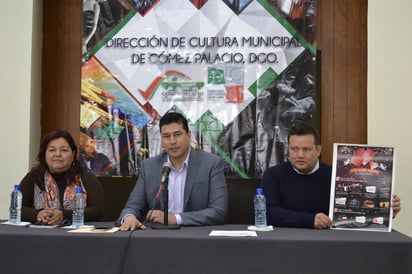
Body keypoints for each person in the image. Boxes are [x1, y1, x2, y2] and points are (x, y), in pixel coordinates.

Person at [261, 122, 401, 229]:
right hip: (287, 243)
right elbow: (267, 212)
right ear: (288, 149)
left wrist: (386, 210)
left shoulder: (338, 175)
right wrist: (310, 220)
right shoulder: (273, 175)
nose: (300, 155)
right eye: (294, 149)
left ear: (318, 150)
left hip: (330, 244)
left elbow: (360, 210)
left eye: (306, 149)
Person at [117, 111, 228, 230]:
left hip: (197, 238)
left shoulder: (211, 164)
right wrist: (129, 217)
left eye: (177, 134)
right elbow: (132, 206)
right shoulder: (149, 167)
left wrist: (175, 218)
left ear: (189, 135)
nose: (172, 141)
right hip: (157, 238)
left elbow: (218, 211)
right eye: (166, 136)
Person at [20, 130, 105, 226]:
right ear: (44, 154)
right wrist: (38, 214)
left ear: (73, 154)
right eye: (52, 150)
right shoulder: (33, 177)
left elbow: (98, 211)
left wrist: (64, 215)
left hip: (78, 236)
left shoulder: (87, 178)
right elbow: (18, 209)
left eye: (64, 150)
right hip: (40, 235)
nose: (58, 154)